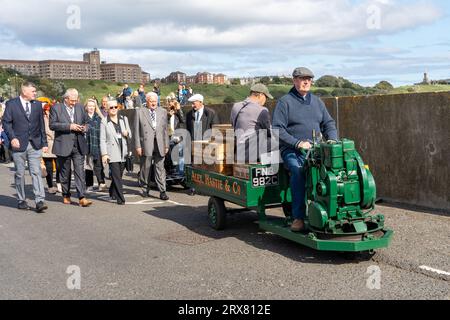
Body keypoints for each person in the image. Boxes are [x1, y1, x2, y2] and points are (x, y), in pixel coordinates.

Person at [272, 67, 338, 232]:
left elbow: (328, 123)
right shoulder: (284, 102)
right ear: (294, 81)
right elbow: (277, 129)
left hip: (316, 149)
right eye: (302, 78)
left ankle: (331, 213)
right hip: (292, 150)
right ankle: (298, 217)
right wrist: (298, 143)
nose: (306, 81)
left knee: (334, 172)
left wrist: (332, 140)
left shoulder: (317, 102)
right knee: (299, 171)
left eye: (309, 78)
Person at [1, 82, 48, 213]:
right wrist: (12, 137)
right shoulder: (11, 104)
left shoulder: (37, 105)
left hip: (35, 144)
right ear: (24, 92)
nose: (35, 93)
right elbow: (6, 122)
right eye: (33, 91)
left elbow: (41, 125)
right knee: (20, 173)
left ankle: (39, 200)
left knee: (36, 172)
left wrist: (44, 143)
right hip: (18, 144)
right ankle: (21, 200)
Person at [50, 88, 93, 207]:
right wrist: (70, 126)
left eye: (76, 100)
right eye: (72, 100)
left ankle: (82, 197)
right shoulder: (56, 108)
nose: (74, 103)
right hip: (63, 144)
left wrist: (85, 128)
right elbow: (52, 125)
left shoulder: (79, 107)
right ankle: (66, 194)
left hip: (78, 144)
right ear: (66, 98)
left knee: (80, 171)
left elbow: (88, 122)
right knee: (65, 172)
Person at [134, 92, 169, 200]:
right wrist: (138, 146)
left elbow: (165, 130)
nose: (154, 103)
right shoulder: (140, 111)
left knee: (160, 168)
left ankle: (162, 191)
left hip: (159, 143)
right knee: (146, 167)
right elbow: (136, 130)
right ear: (147, 101)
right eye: (151, 101)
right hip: (146, 143)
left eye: (155, 101)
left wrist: (166, 145)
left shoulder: (163, 111)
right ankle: (145, 188)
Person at [185, 93, 219, 195]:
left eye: (194, 103)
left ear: (200, 102)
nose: (192, 106)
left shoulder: (211, 113)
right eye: (191, 103)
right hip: (194, 144)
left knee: (208, 167)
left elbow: (216, 130)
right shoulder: (189, 114)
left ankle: (208, 188)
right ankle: (193, 187)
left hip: (207, 145)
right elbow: (188, 129)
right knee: (194, 166)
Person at [231, 83, 273, 163]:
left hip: (238, 150)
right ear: (260, 95)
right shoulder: (262, 110)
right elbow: (269, 132)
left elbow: (233, 125)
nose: (266, 100)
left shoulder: (235, 106)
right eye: (266, 97)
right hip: (251, 152)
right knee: (279, 141)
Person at [100, 99, 132, 205]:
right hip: (112, 152)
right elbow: (102, 139)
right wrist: (104, 154)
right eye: (111, 107)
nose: (114, 109)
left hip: (123, 151)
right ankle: (120, 197)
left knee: (119, 175)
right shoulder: (104, 121)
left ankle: (112, 190)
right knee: (116, 175)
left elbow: (130, 134)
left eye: (115, 107)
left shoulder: (124, 119)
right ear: (107, 109)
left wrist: (127, 133)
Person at [84, 98, 106, 192]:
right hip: (86, 144)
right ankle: (89, 184)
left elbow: (104, 128)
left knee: (98, 165)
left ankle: (101, 182)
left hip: (97, 144)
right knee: (88, 166)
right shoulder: (83, 117)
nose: (91, 108)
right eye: (89, 106)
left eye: (93, 106)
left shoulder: (99, 117)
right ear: (86, 107)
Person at [42, 101, 60, 194]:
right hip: (47, 144)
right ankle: (50, 185)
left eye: (49, 110)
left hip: (57, 143)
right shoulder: (41, 119)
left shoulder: (56, 117)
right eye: (46, 110)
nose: (48, 112)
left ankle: (58, 183)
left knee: (59, 166)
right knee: (49, 167)